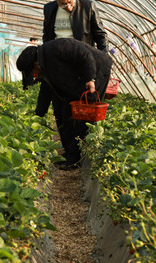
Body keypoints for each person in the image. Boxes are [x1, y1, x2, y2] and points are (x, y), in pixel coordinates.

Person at [17, 38, 113, 170]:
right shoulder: (45, 65)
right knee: (67, 114)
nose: (34, 75)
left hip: (98, 69)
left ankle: (80, 155)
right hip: (79, 80)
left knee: (85, 115)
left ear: (35, 64)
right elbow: (46, 89)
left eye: (32, 72)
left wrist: (90, 79)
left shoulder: (58, 47)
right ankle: (70, 156)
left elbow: (85, 54)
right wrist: (39, 114)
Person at [37, 0, 110, 124]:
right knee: (60, 107)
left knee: (84, 107)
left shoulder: (88, 6)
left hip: (82, 63)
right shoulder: (49, 9)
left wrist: (103, 60)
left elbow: (100, 35)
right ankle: (67, 143)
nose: (68, 7)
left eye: (71, 2)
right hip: (59, 67)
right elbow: (47, 35)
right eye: (63, 4)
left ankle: (83, 140)